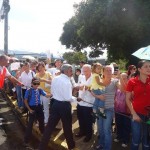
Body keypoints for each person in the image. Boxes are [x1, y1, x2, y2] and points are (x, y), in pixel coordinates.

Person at [38, 64, 80, 150]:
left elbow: (53, 92)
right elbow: (68, 97)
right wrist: (76, 98)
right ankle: (71, 146)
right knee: (67, 127)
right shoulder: (67, 82)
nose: (72, 73)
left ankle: (41, 147)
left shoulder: (55, 79)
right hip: (64, 106)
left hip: (55, 104)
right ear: (67, 70)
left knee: (49, 127)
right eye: (71, 70)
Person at [92, 65, 120, 150]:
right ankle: (101, 144)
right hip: (99, 108)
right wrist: (98, 96)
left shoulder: (115, 81)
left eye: (110, 70)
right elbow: (92, 90)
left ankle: (107, 148)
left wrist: (120, 77)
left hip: (108, 109)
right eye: (106, 70)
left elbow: (123, 89)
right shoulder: (99, 80)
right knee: (100, 128)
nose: (108, 72)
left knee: (106, 129)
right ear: (103, 72)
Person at [126, 60, 150, 150]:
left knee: (147, 140)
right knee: (136, 138)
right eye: (146, 66)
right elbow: (127, 99)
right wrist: (134, 114)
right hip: (137, 114)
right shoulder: (132, 81)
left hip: (149, 115)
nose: (149, 68)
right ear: (139, 69)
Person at [23, 77, 51, 146]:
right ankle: (26, 139)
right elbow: (25, 101)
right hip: (32, 108)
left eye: (38, 83)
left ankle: (42, 133)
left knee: (41, 121)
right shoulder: (28, 91)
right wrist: (29, 109)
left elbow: (46, 95)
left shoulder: (40, 90)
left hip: (39, 107)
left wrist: (53, 94)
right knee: (30, 124)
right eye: (35, 84)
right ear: (32, 84)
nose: (36, 85)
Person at [0, 55, 23, 123]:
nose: (8, 62)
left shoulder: (4, 68)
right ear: (2, 60)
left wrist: (19, 83)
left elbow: (11, 77)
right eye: (7, 61)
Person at [75, 64, 95, 142]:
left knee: (88, 120)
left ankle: (88, 134)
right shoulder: (81, 76)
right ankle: (82, 131)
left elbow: (97, 88)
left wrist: (88, 88)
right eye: (83, 71)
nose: (85, 72)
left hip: (89, 102)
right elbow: (78, 84)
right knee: (80, 118)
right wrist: (77, 87)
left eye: (86, 71)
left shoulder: (94, 78)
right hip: (80, 101)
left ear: (90, 70)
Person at [114, 73, 131, 147]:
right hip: (118, 110)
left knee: (126, 126)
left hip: (125, 111)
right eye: (122, 78)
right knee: (119, 124)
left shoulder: (129, 87)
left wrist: (120, 77)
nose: (123, 80)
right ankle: (119, 136)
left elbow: (124, 89)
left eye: (124, 78)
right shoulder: (118, 87)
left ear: (128, 79)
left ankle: (125, 140)